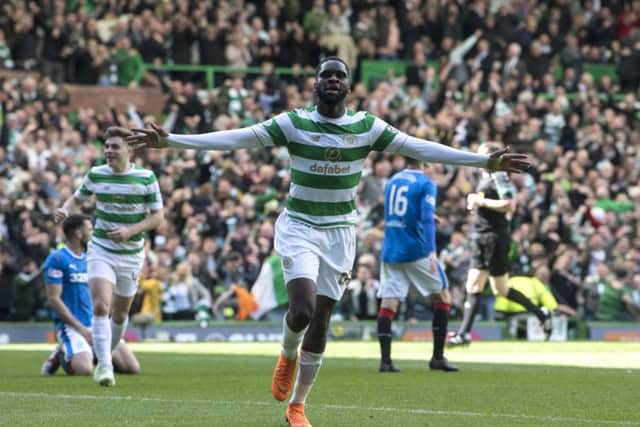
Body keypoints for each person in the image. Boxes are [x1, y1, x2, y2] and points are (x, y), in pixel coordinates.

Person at [126, 57, 529, 427]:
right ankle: (286, 355)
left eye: (340, 75)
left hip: (339, 233)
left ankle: (298, 405)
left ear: (348, 88)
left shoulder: (365, 128)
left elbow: (420, 146)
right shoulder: (293, 124)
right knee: (300, 310)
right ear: (316, 85)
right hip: (299, 226)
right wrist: (172, 141)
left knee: (320, 320)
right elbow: (237, 138)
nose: (332, 79)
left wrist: (485, 162)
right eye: (326, 74)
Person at [55, 126, 163, 387]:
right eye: (107, 146)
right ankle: (104, 366)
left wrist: (130, 231)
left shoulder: (146, 178)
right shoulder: (96, 174)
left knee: (120, 314)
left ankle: (101, 354)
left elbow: (157, 217)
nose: (109, 151)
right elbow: (77, 198)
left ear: (130, 149)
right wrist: (64, 210)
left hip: (131, 253)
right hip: (101, 249)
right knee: (102, 305)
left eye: (115, 146)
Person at [448, 143, 551, 347]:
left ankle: (464, 334)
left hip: (490, 237)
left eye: (481, 155)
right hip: (489, 236)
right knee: (500, 289)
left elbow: (509, 204)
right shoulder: (487, 177)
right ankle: (541, 314)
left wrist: (481, 201)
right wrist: (477, 202)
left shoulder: (498, 176)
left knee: (473, 284)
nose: (477, 159)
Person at [377, 159, 458, 373]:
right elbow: (426, 220)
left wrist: (428, 216)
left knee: (389, 302)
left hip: (391, 249)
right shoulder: (426, 182)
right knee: (442, 297)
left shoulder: (393, 180)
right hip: (416, 249)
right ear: (424, 161)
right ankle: (437, 358)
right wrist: (432, 250)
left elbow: (398, 213)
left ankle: (386, 362)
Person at [41, 214, 140, 377]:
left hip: (97, 323)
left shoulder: (93, 259)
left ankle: (90, 352)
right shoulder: (57, 258)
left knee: (131, 367)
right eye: (90, 230)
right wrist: (81, 329)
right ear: (78, 234)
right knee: (84, 369)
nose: (93, 233)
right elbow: (53, 299)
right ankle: (61, 354)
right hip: (72, 327)